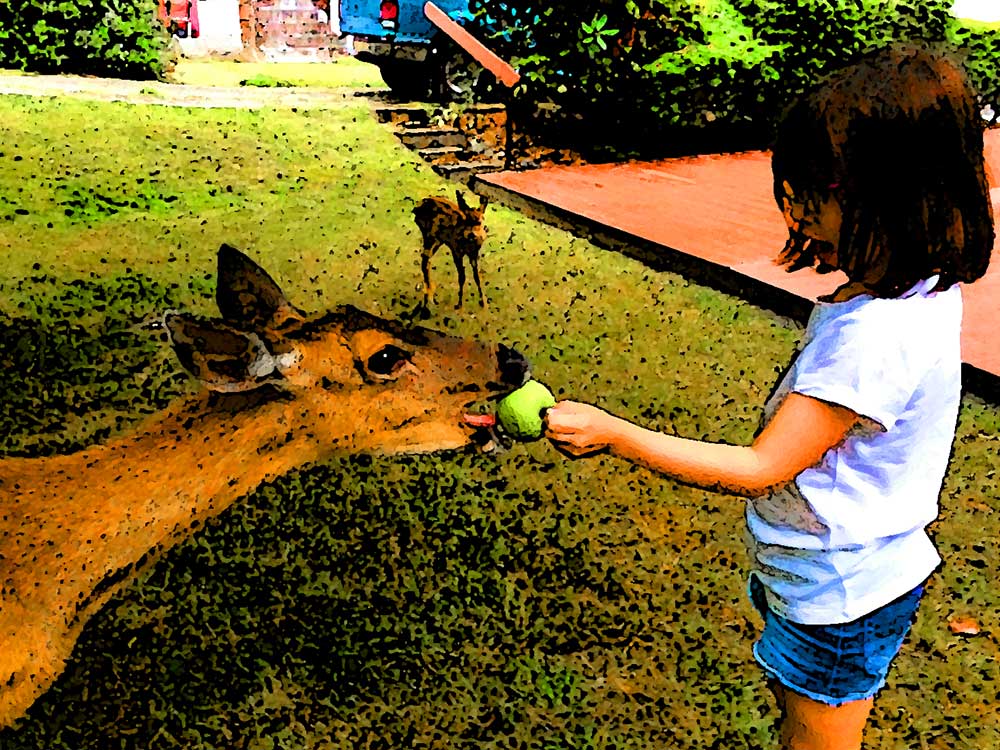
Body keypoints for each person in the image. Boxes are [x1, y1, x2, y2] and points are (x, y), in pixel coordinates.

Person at [544, 44, 994, 750]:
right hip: (833, 572)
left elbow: (762, 467)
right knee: (802, 702)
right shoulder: (920, 289)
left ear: (897, 199)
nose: (792, 203)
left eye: (818, 189)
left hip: (840, 592)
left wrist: (616, 433)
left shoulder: (873, 338)